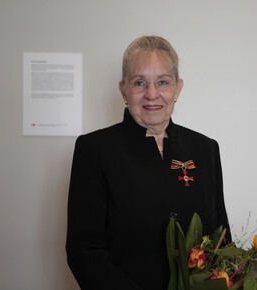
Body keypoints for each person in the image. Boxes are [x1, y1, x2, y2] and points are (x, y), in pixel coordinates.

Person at [66, 36, 231, 290]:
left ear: (178, 88)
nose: (152, 94)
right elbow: (84, 252)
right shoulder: (95, 150)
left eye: (163, 82)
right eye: (139, 82)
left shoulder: (205, 149)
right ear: (123, 90)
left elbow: (222, 240)